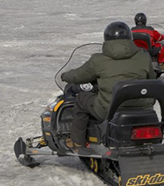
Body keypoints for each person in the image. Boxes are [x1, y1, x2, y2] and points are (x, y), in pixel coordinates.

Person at [60, 21, 157, 151]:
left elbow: (78, 76)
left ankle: (77, 142)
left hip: (110, 109)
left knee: (81, 99)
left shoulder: (98, 60)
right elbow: (152, 80)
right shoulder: (144, 57)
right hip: (143, 107)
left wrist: (65, 75)